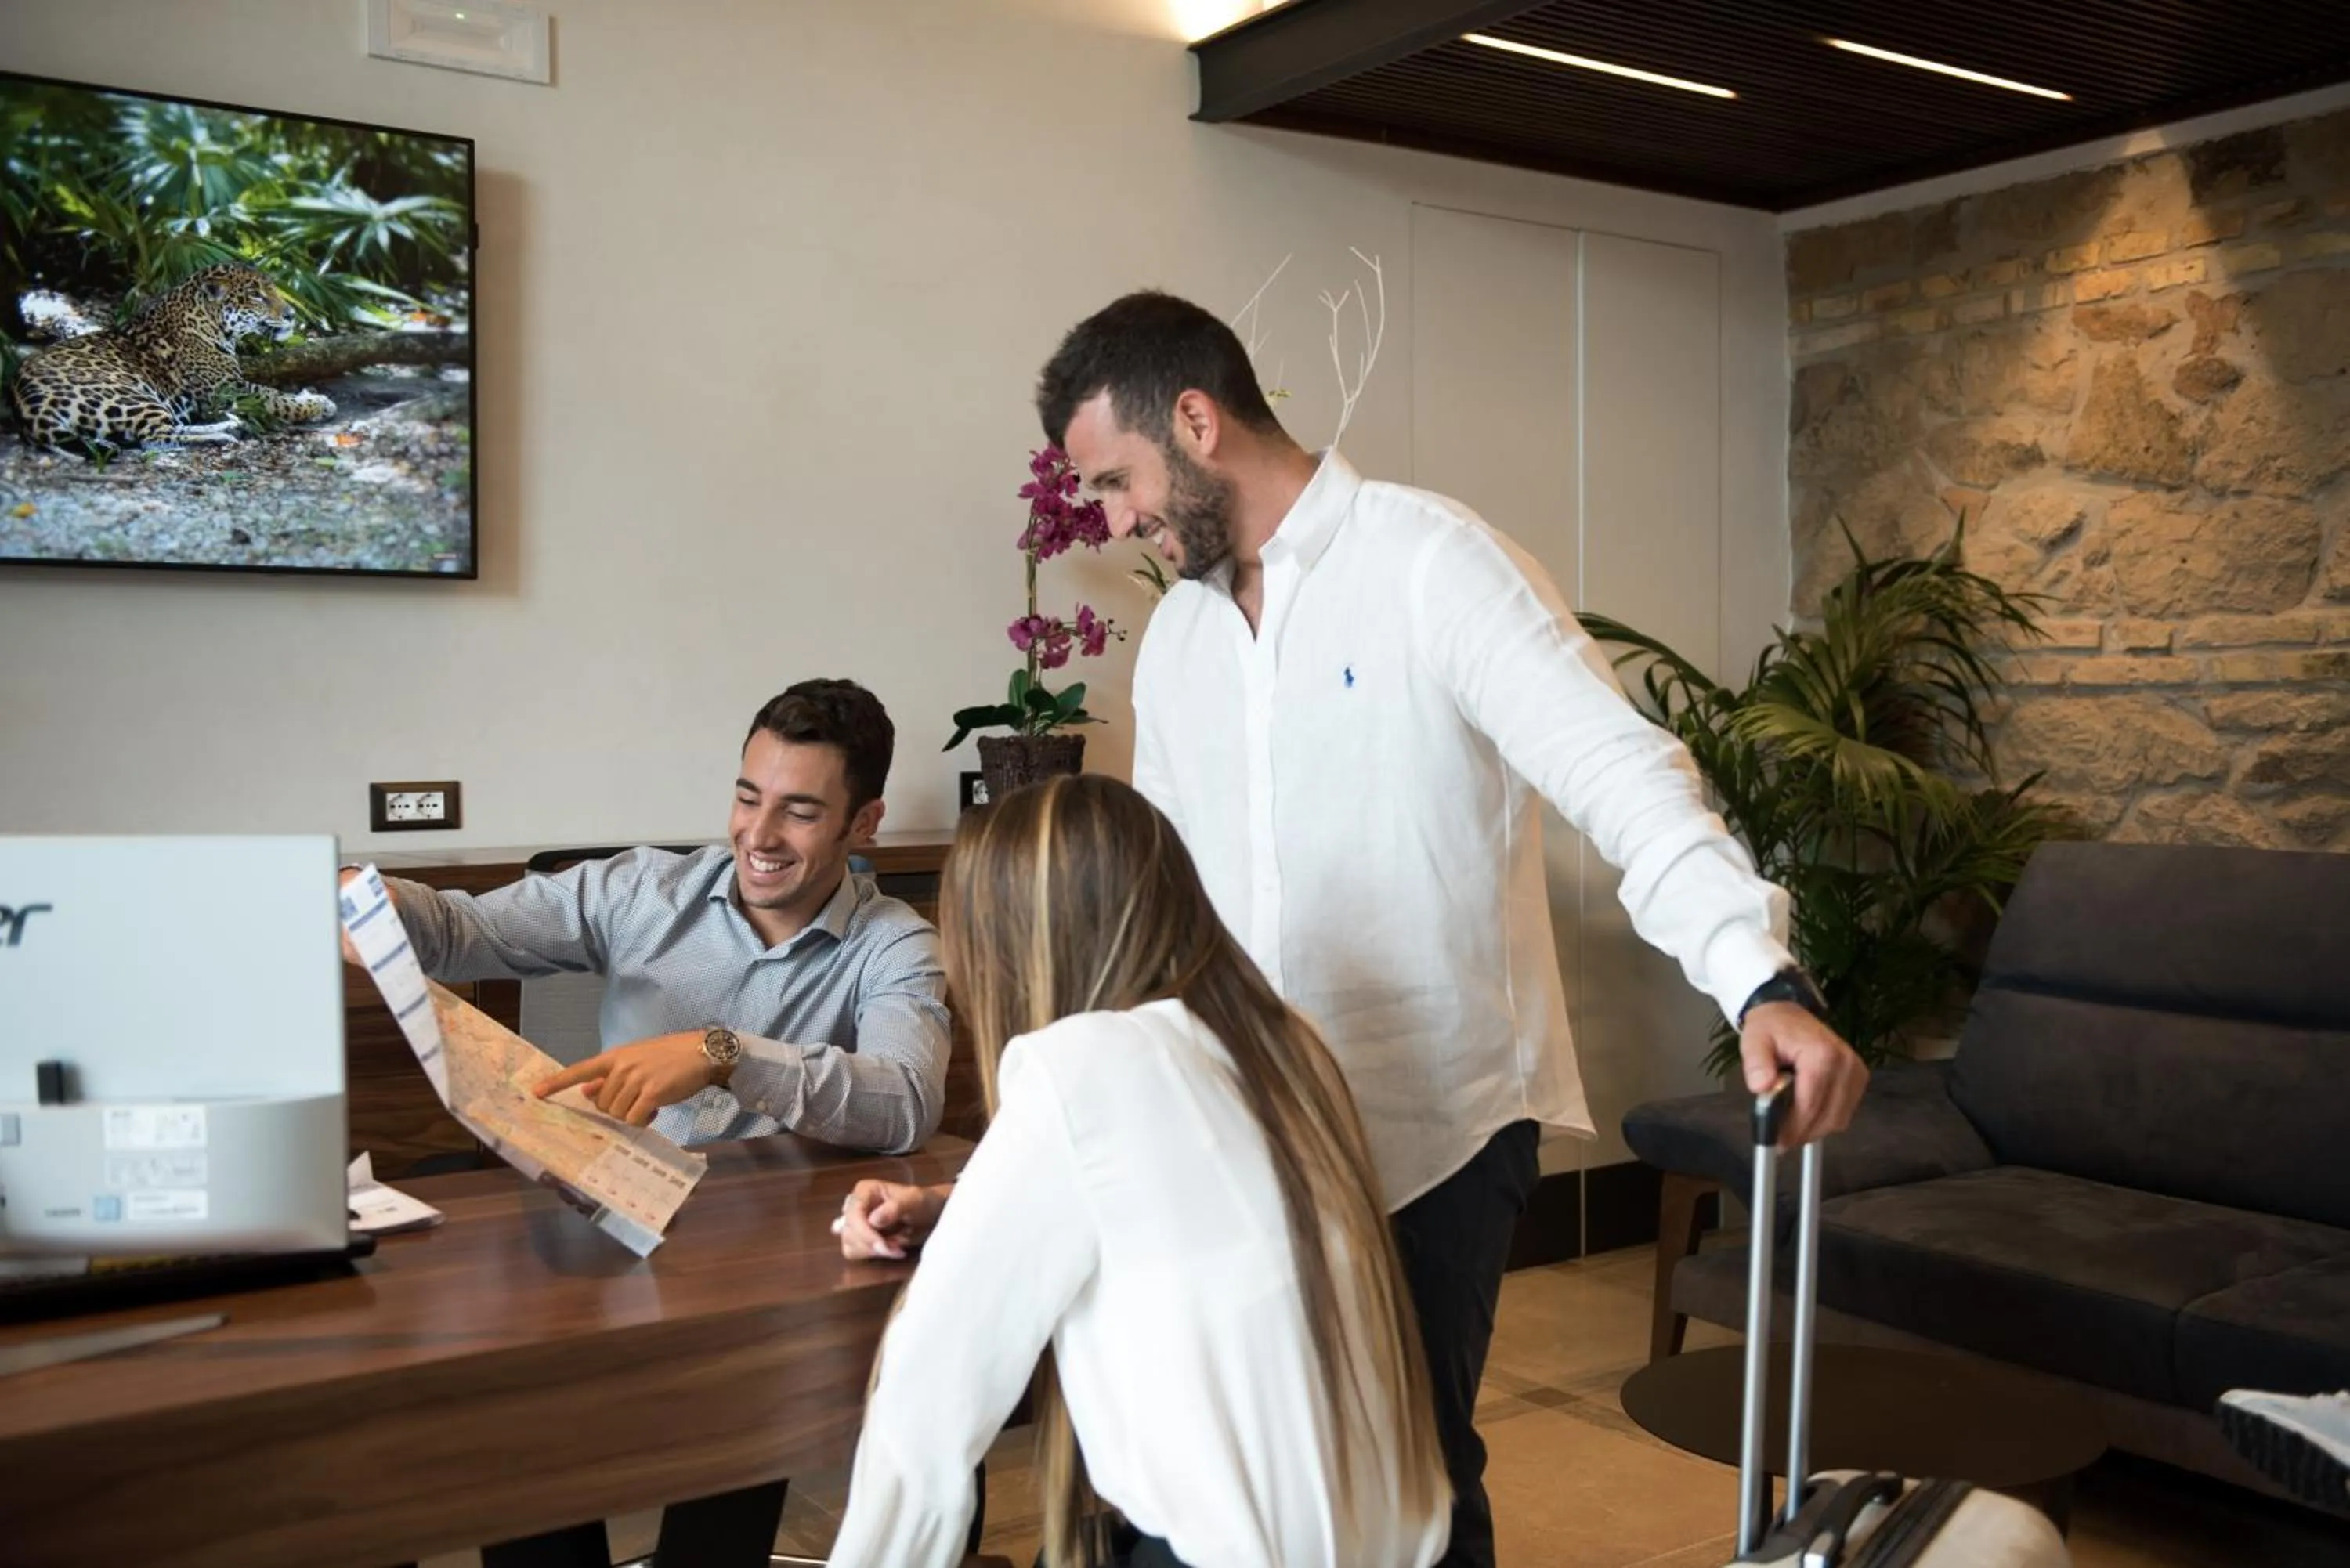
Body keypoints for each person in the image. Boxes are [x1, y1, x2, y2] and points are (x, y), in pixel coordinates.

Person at [846, 292, 1871, 1568]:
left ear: (1198, 419)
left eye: (1115, 480)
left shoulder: (1432, 563)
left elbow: (1617, 770)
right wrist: (1007, 1176)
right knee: (1260, 1501)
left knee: (1417, 1476)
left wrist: (1755, 972)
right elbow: (1146, 941)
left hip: (1426, 1122)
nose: (1108, 523)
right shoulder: (1176, 649)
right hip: (1245, 1132)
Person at [349, 677, 949, 1568]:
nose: (759, 834)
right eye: (747, 798)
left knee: (742, 1392)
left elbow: (908, 1098)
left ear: (864, 824)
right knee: (505, 1393)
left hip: (760, 1254)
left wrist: (725, 1052)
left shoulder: (896, 943)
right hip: (601, 1221)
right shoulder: (642, 888)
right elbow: (464, 928)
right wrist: (379, 901)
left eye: (799, 811)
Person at [827, 773, 1453, 1568]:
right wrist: (957, 1203)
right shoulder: (1287, 1045)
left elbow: (928, 1401)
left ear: (1012, 944)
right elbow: (1182, 1208)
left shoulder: (1079, 1065)